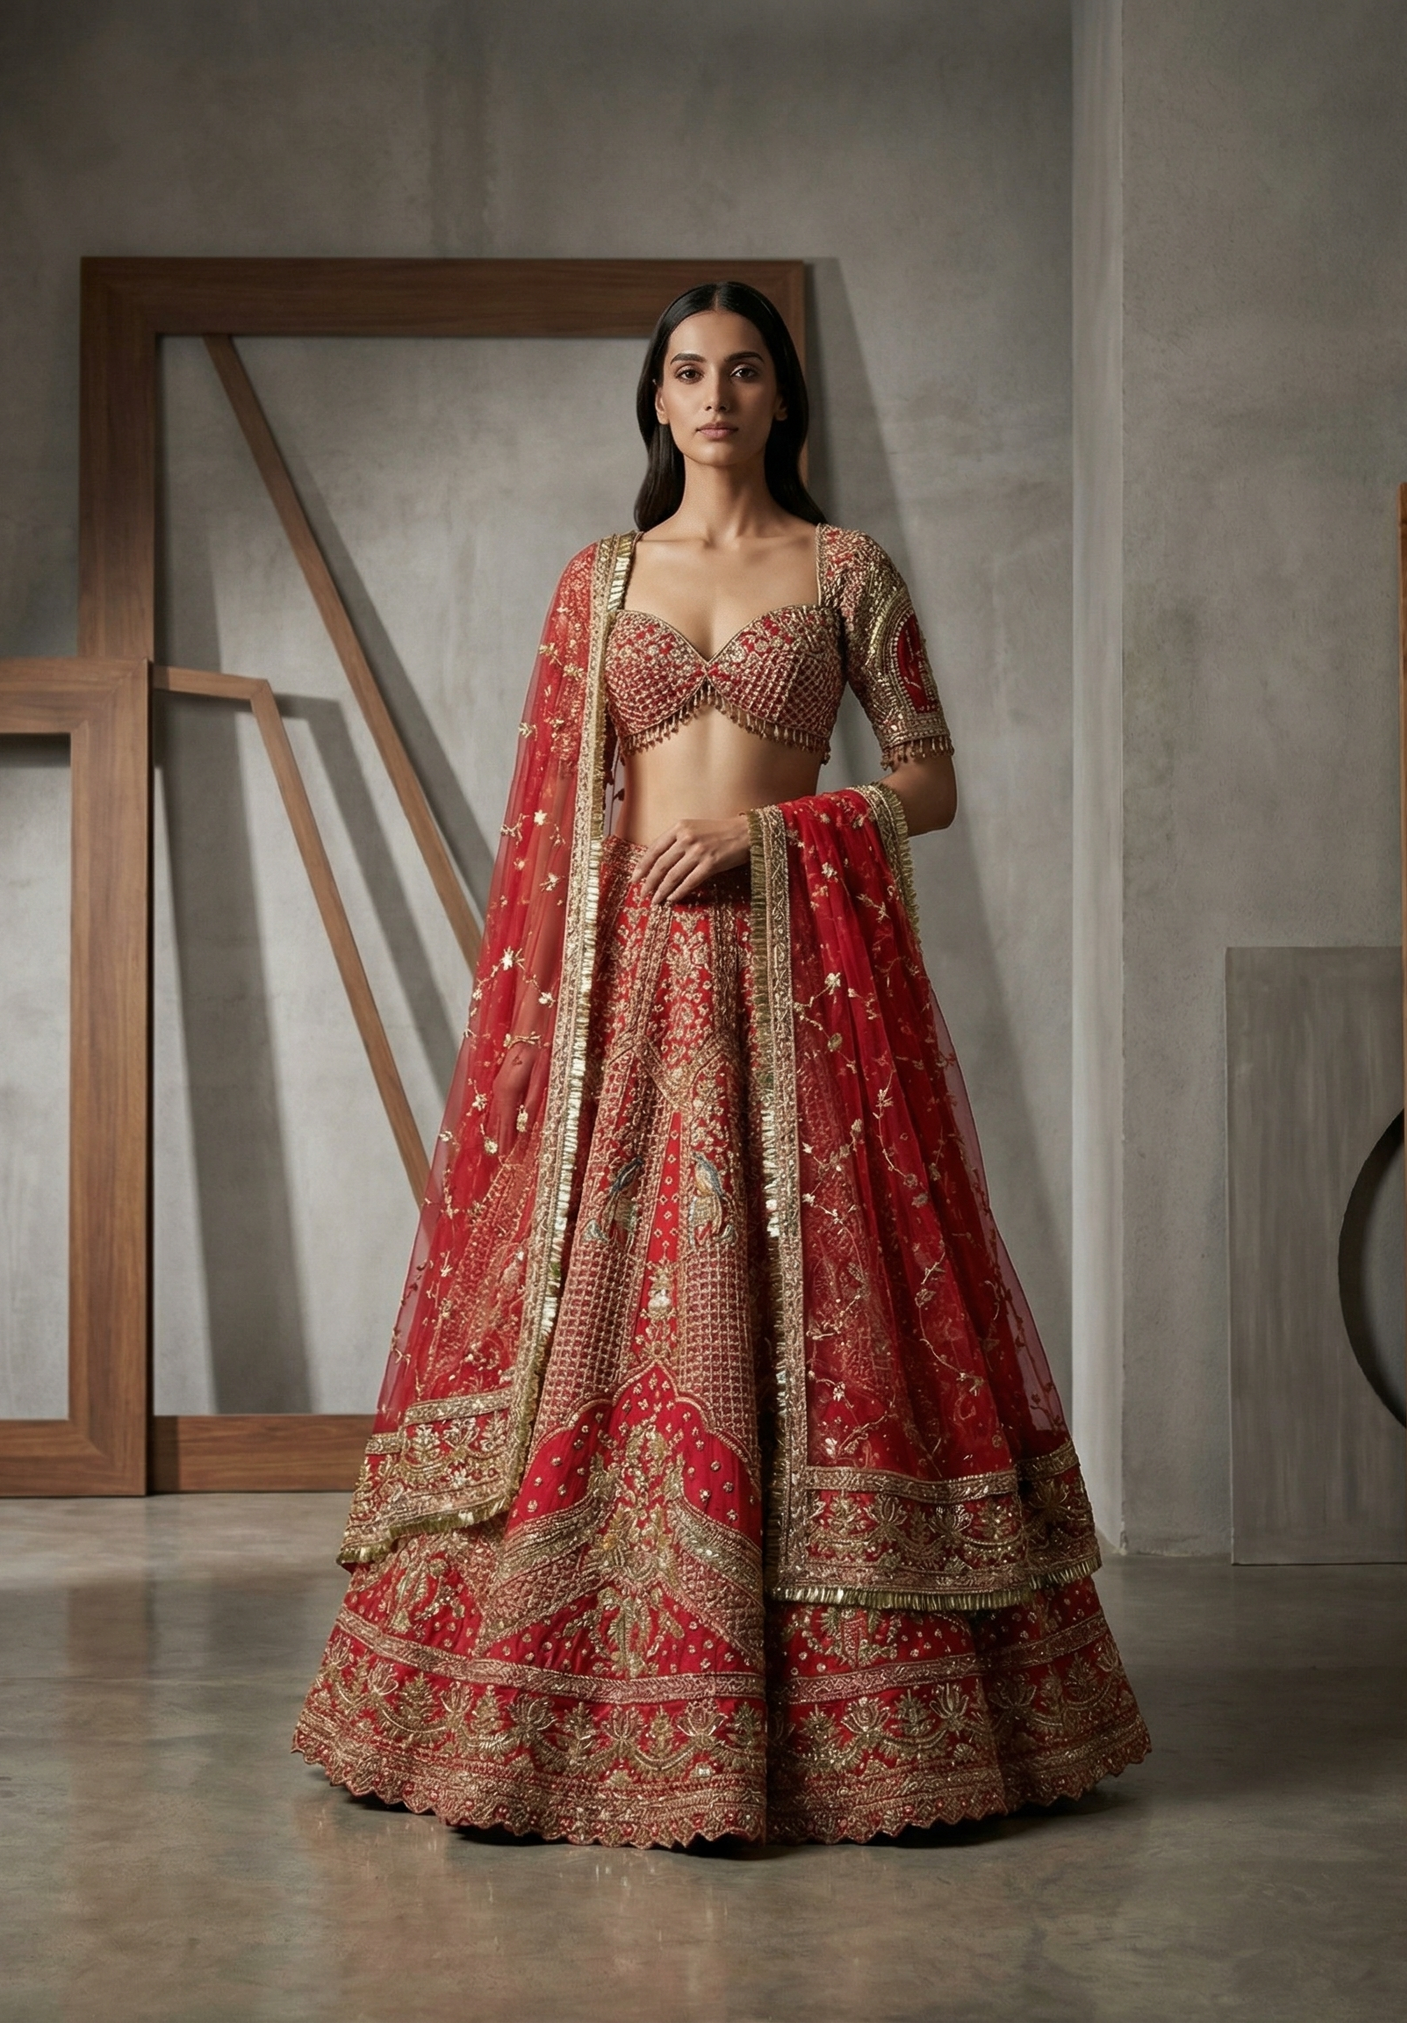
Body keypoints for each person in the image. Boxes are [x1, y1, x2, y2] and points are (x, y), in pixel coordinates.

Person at [294, 281, 1149, 1847]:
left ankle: (871, 1729)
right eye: (688, 371)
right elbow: (554, 824)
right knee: (600, 1314)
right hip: (628, 998)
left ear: (781, 400)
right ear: (656, 398)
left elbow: (930, 781)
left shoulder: (845, 571)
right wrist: (538, 1024)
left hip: (796, 991)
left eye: (743, 370)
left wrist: (777, 836)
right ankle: (546, 1713)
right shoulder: (597, 581)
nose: (714, 395)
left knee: (832, 1301)